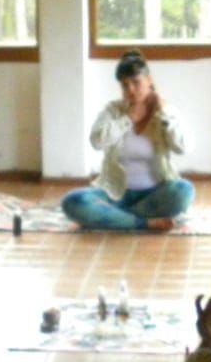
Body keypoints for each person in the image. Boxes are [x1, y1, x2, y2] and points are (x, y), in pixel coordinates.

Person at [62, 50, 194, 231]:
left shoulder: (165, 111)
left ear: (149, 80)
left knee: (184, 191)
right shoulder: (113, 110)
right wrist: (128, 118)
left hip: (154, 193)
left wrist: (165, 114)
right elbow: (97, 141)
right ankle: (142, 222)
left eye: (136, 83)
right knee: (72, 201)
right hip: (115, 194)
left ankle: (114, 217)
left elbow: (184, 147)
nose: (130, 90)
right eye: (125, 85)